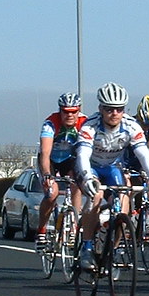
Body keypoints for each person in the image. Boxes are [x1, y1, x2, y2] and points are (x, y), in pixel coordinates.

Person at [75, 83, 149, 271]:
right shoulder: (90, 126)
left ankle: (113, 247)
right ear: (100, 109)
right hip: (91, 168)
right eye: (109, 109)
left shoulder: (131, 126)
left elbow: (143, 153)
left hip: (112, 168)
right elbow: (82, 156)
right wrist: (87, 177)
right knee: (95, 196)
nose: (114, 113)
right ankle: (87, 247)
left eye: (119, 109)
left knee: (123, 206)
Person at [36, 92, 85, 251]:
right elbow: (45, 153)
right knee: (51, 194)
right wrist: (47, 175)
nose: (69, 115)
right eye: (65, 111)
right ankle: (42, 230)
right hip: (51, 160)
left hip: (69, 160)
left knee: (77, 185)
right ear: (60, 111)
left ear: (79, 110)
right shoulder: (51, 123)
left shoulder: (85, 123)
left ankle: (73, 227)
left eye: (73, 111)